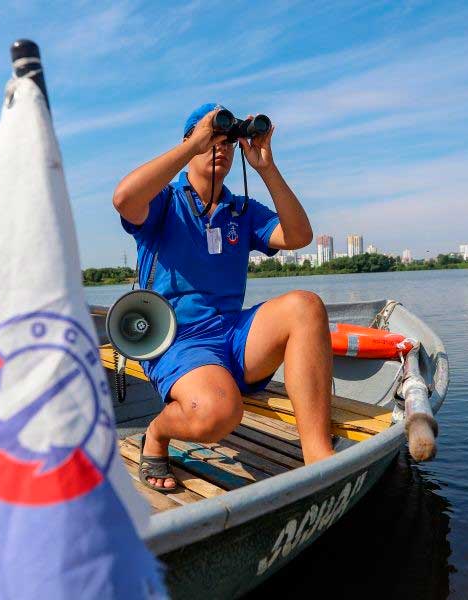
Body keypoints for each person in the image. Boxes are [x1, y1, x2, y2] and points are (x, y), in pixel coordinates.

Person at [112, 103, 335, 492]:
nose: (220, 148)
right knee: (218, 414)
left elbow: (298, 236)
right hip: (179, 341)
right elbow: (123, 198)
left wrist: (266, 167)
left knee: (306, 306)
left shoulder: (240, 209)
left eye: (227, 142)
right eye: (212, 140)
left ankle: (318, 459)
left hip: (234, 334)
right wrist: (194, 144)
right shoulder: (165, 202)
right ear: (191, 142)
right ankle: (158, 431)